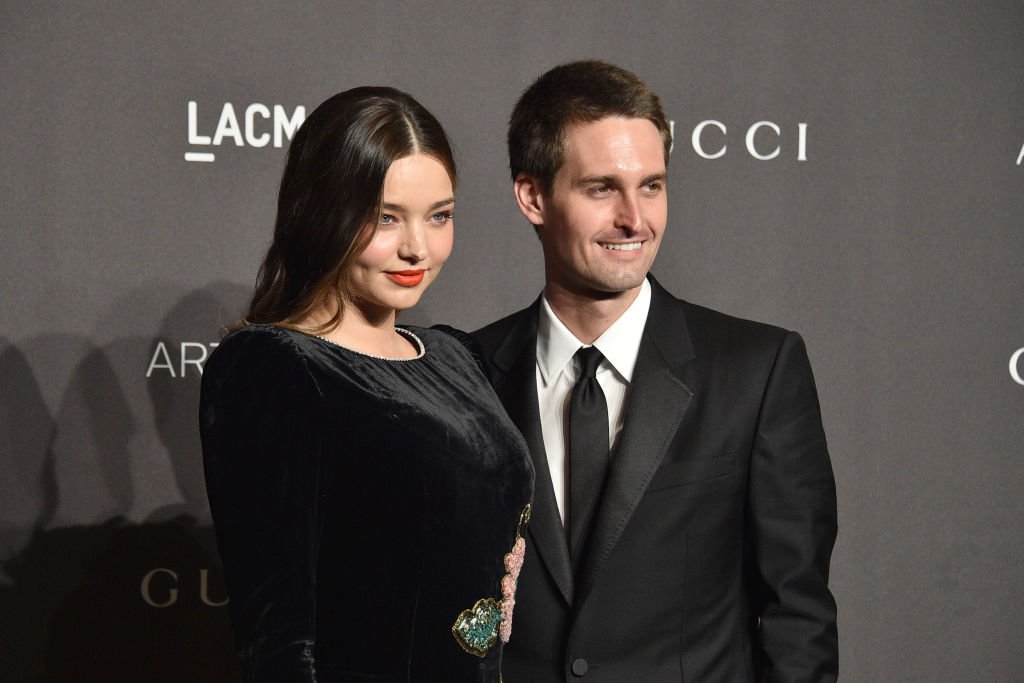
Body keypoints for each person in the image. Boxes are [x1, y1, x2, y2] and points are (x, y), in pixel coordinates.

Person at [472, 60, 838, 681]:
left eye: (652, 186)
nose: (635, 220)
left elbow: (796, 618)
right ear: (533, 197)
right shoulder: (469, 373)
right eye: (601, 188)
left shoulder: (757, 370)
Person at [199, 87, 534, 682]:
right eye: (385, 217)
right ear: (322, 212)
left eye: (440, 216)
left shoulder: (455, 355)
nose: (417, 248)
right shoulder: (275, 367)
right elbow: (279, 637)